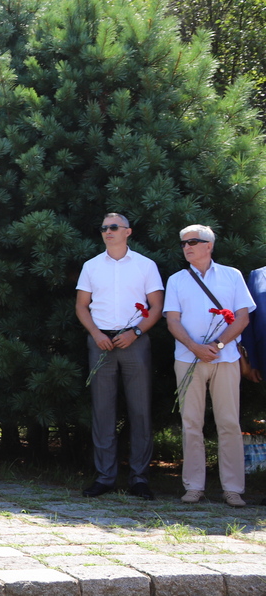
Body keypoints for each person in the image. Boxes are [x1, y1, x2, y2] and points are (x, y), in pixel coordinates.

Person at [75, 213, 164, 500]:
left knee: (140, 410)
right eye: (103, 228)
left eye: (113, 227)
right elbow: (81, 306)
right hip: (100, 342)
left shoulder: (145, 265)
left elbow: (157, 306)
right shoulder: (91, 266)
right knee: (102, 411)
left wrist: (135, 333)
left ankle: (139, 479)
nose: (108, 231)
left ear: (128, 232)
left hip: (134, 341)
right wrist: (96, 334)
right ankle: (105, 477)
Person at [164, 224, 254, 507]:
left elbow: (242, 318)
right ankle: (194, 487)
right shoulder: (177, 280)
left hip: (225, 359)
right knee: (191, 422)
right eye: (183, 243)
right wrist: (195, 347)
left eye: (192, 242)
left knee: (229, 422)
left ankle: (233, 489)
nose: (186, 247)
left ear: (209, 245)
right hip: (187, 358)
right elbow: (172, 320)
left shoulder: (232, 275)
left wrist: (217, 346)